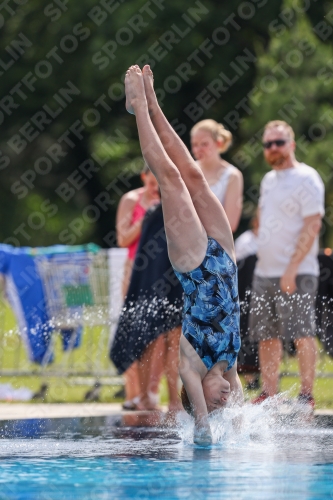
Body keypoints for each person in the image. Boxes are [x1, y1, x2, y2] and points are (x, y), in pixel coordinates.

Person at [124, 64, 243, 445]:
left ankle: (139, 107)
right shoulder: (232, 366)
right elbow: (240, 415)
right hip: (225, 255)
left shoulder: (192, 365)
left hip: (194, 264)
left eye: (216, 402)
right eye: (227, 400)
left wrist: (204, 426)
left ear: (198, 400)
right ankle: (154, 102)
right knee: (193, 175)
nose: (225, 397)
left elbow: (202, 428)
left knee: (171, 179)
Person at [249, 120, 325, 409]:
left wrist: (292, 266)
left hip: (298, 270)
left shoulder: (307, 178)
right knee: (266, 335)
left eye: (279, 142)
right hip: (264, 271)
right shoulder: (268, 180)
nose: (273, 148)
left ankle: (306, 395)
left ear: (291, 145)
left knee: (302, 333)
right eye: (268, 143)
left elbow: (313, 223)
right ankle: (269, 393)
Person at [111, 203, 183, 412]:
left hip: (167, 282)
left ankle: (168, 399)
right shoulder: (161, 212)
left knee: (167, 340)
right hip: (158, 283)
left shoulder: (169, 211)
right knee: (150, 339)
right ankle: (151, 398)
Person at [116, 164, 160, 407]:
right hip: (135, 270)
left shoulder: (168, 200)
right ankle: (132, 393)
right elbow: (123, 239)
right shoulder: (131, 200)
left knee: (160, 337)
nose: (155, 190)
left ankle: (151, 392)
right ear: (144, 177)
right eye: (152, 184)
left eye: (159, 185)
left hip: (160, 272)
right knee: (133, 330)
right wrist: (146, 217)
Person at [190, 120, 243, 232]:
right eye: (195, 144)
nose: (198, 149)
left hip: (215, 245)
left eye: (204, 144)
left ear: (218, 143)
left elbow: (230, 224)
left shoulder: (232, 176)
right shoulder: (187, 170)